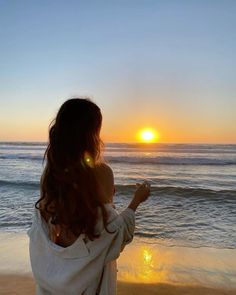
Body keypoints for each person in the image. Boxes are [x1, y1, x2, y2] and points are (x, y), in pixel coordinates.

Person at [28, 98, 150, 295]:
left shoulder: (50, 176)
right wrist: (136, 200)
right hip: (90, 285)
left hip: (52, 283)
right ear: (91, 134)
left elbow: (54, 233)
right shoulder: (102, 173)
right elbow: (112, 236)